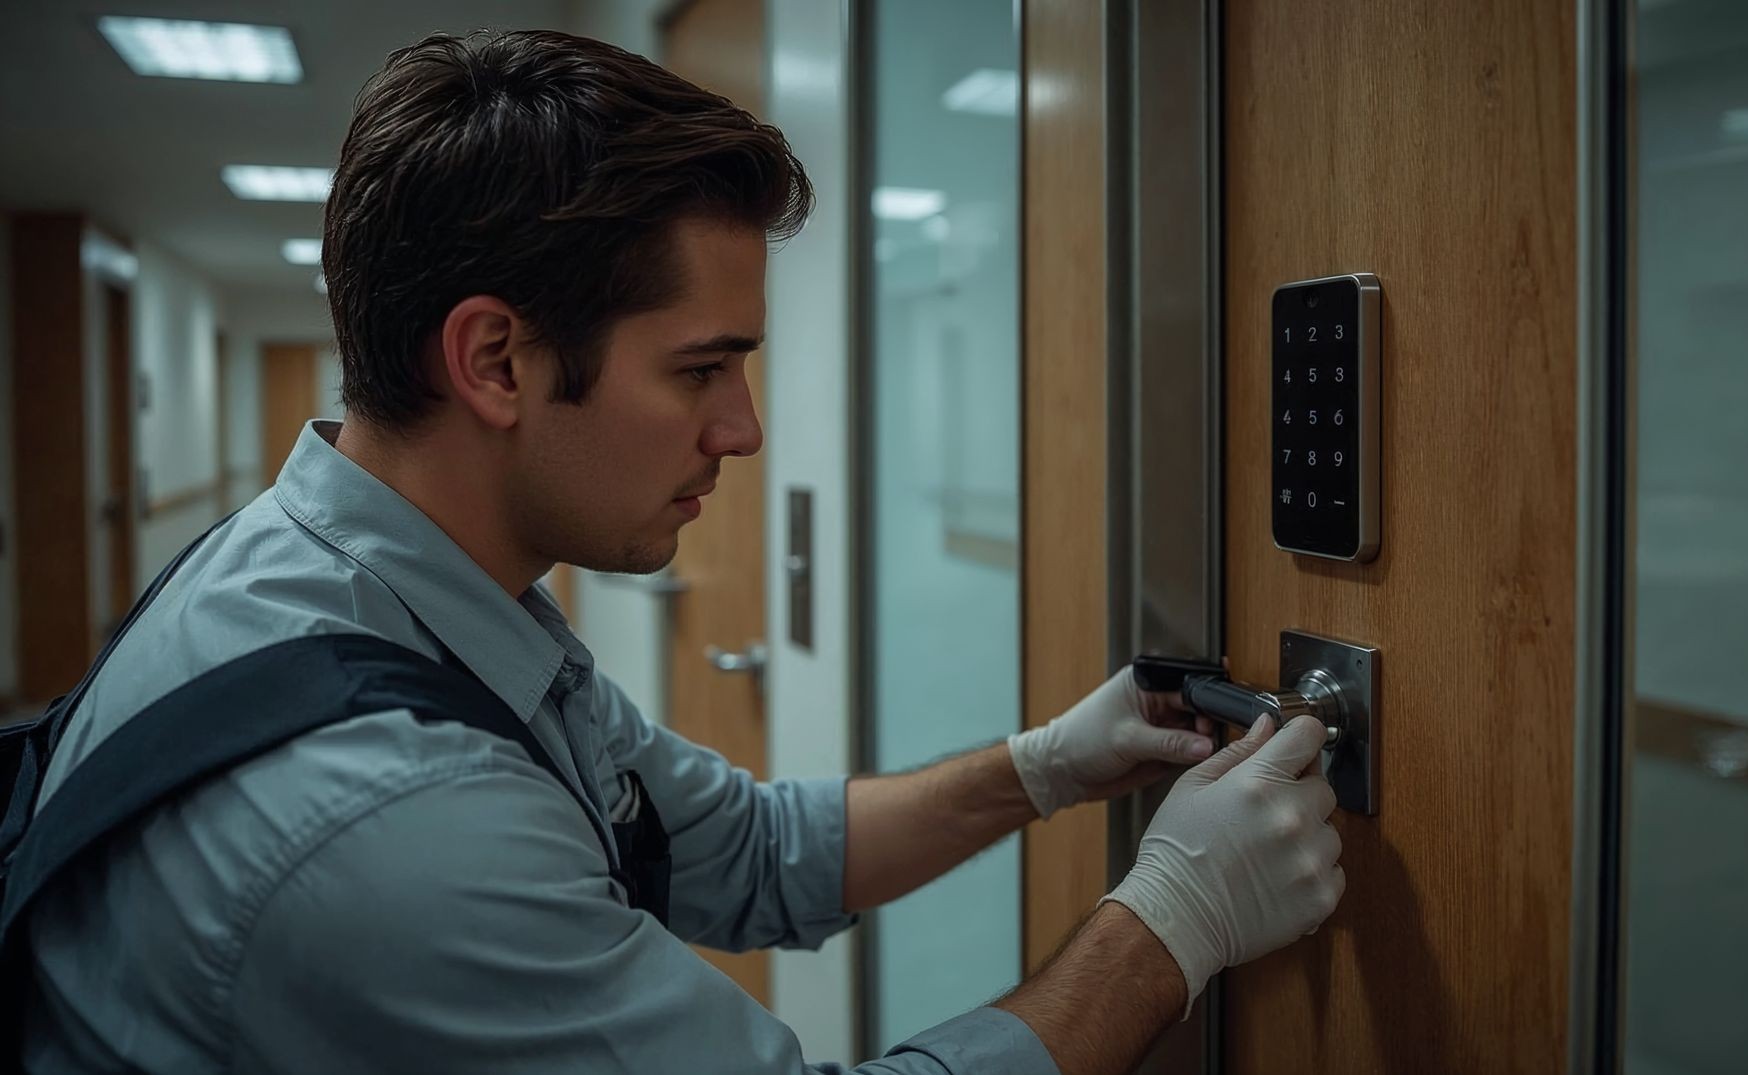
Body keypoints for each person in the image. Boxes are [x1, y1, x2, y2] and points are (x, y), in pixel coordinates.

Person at [21, 30, 1343, 1075]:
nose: (746, 430)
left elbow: (754, 853)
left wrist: (1046, 767)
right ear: (495, 360)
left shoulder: (372, 591)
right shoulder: (386, 821)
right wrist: (1172, 920)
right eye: (701, 369)